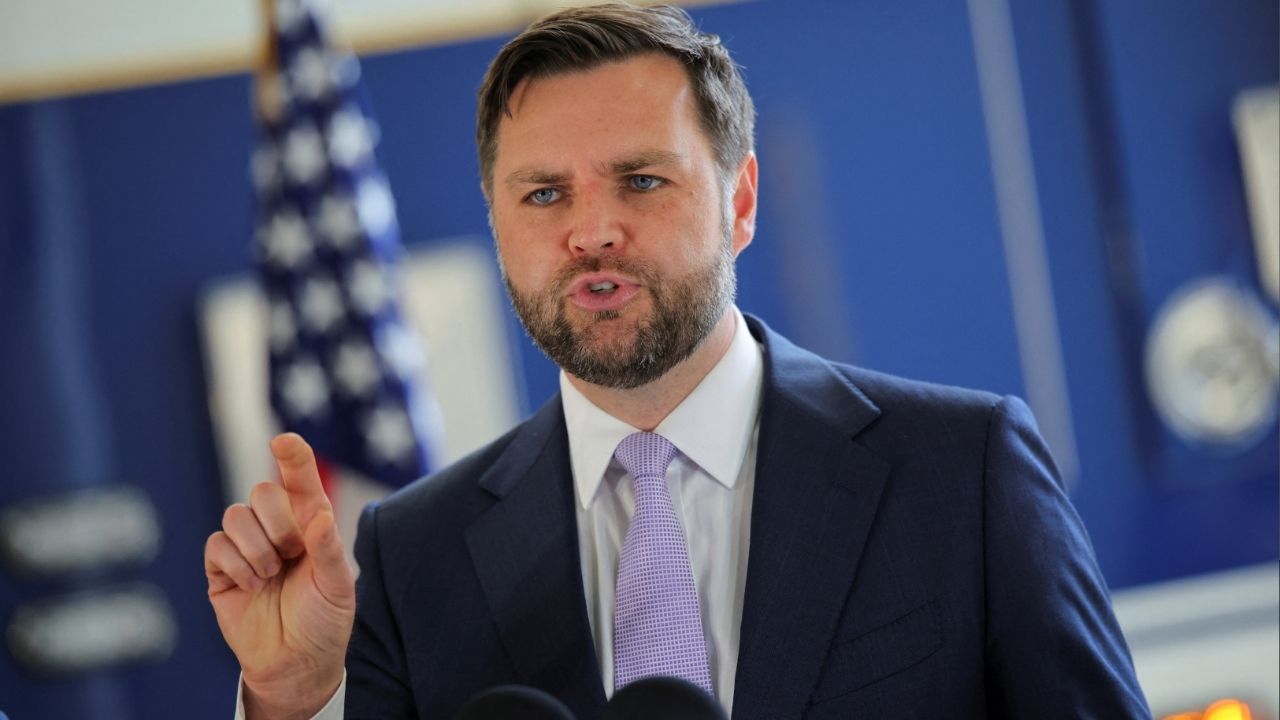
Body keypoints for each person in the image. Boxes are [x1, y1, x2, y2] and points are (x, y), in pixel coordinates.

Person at [205, 4, 1151, 719]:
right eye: (542, 195)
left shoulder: (963, 469)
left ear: (740, 202)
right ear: (498, 226)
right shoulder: (412, 554)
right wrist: (290, 700)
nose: (590, 231)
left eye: (641, 180)